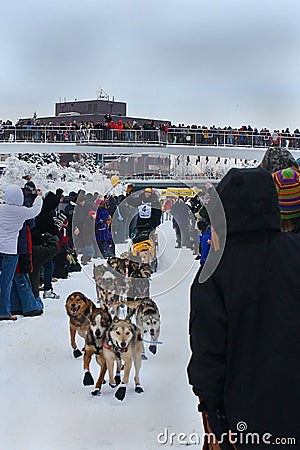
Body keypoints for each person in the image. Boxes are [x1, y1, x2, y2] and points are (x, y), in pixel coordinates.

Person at [187, 167, 300, 449]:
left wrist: (215, 420)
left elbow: (208, 356)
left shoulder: (213, 272)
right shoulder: (295, 251)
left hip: (247, 422)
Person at [0, 185, 42, 320]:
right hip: (11, 251)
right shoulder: (21, 211)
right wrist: (39, 197)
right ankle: (4, 311)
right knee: (6, 282)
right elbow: (36, 210)